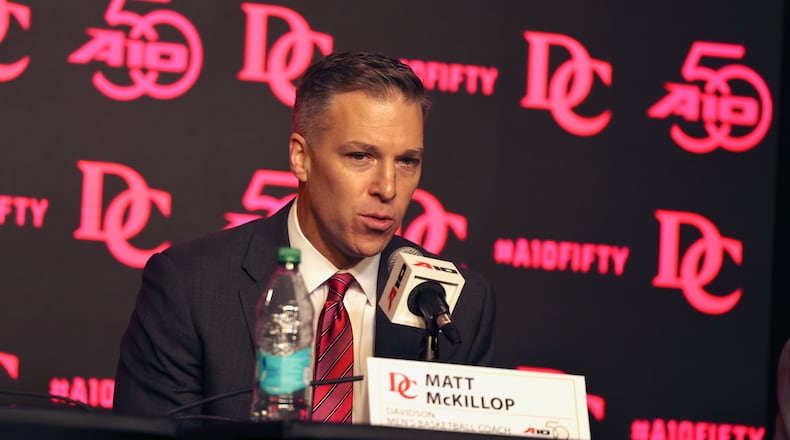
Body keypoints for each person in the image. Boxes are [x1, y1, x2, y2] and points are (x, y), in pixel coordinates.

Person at [112, 51, 496, 423]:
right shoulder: (191, 286)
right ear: (301, 158)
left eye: (407, 161)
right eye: (361, 156)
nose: (388, 187)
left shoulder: (456, 304)